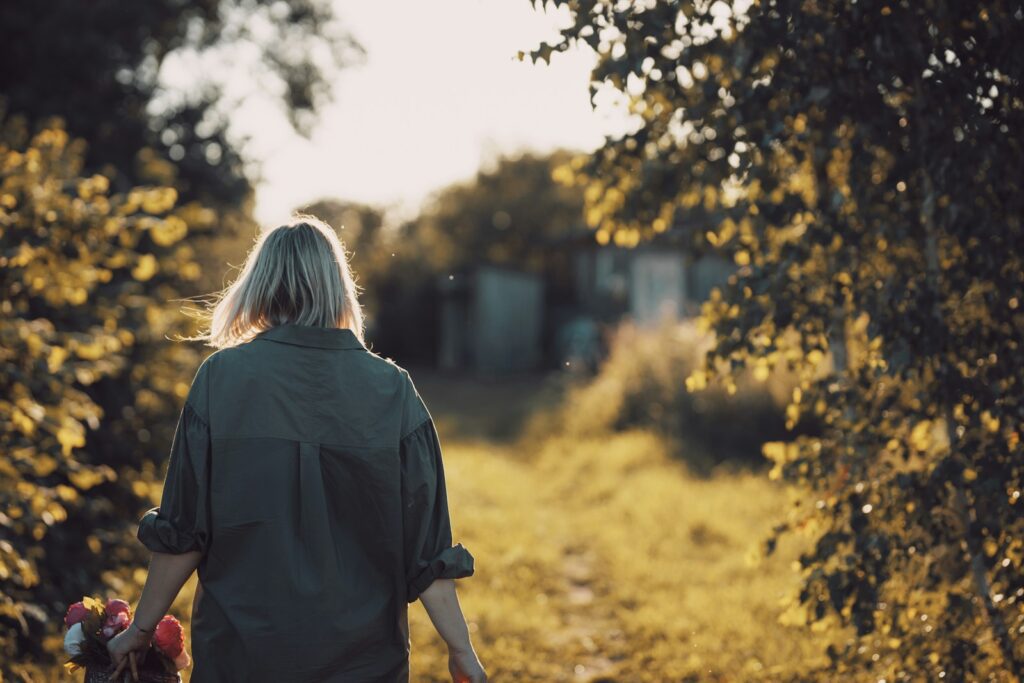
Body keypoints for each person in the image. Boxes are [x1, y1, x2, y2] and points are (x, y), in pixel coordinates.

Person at [106, 216, 487, 683]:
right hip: (364, 664)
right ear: (338, 288)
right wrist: (461, 650)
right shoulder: (393, 391)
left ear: (260, 285)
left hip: (241, 658)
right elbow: (428, 554)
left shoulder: (220, 380)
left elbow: (184, 532)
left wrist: (140, 630)